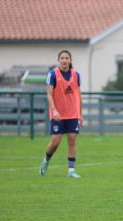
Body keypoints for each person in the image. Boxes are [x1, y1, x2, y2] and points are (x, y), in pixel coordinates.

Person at [39, 50, 83, 178]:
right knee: (55, 142)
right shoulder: (53, 74)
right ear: (59, 60)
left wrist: (80, 114)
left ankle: (71, 171)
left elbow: (78, 95)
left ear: (70, 60)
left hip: (72, 113)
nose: (64, 60)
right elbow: (49, 94)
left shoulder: (76, 75)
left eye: (66, 58)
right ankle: (46, 161)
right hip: (58, 114)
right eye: (62, 58)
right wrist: (54, 109)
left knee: (72, 140)